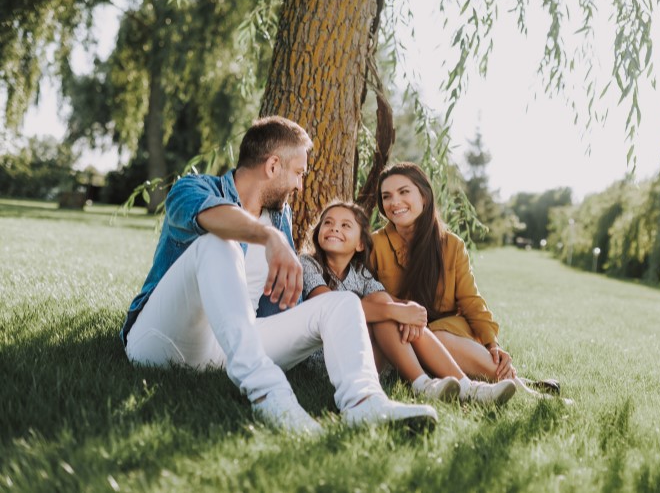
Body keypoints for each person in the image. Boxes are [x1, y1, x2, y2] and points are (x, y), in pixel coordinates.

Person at [120, 117, 437, 436]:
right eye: (298, 172)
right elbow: (212, 216)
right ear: (272, 166)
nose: (301, 185)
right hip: (161, 341)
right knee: (217, 242)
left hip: (232, 347)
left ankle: (364, 402)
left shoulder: (279, 216)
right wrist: (271, 239)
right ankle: (269, 394)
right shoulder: (194, 188)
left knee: (341, 303)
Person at [370, 162, 561, 398]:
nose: (394, 202)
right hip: (400, 336)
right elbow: (369, 296)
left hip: (446, 333)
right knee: (423, 334)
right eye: (386, 196)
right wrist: (404, 311)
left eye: (403, 192)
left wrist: (493, 344)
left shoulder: (451, 245)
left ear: (424, 196)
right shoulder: (374, 245)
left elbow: (472, 301)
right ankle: (521, 387)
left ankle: (519, 387)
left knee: (438, 335)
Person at [300, 201, 518, 405]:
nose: (334, 228)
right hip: (328, 360)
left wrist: (409, 310)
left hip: (364, 359)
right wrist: (395, 311)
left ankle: (467, 386)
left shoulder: (360, 273)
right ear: (318, 232)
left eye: (345, 225)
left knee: (383, 303)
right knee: (385, 311)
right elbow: (330, 305)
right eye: (328, 223)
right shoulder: (308, 264)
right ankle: (422, 383)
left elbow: (390, 301)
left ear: (359, 244)